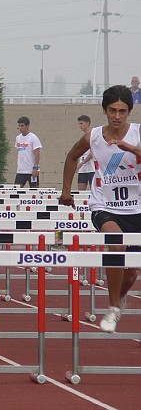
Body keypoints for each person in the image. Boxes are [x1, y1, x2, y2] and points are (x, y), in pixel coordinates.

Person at [59, 85, 140, 333]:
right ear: (105, 110)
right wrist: (66, 191)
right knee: (116, 243)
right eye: (112, 110)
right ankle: (114, 307)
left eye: (122, 111)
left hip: (136, 208)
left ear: (129, 112)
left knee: (130, 273)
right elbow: (72, 157)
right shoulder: (93, 136)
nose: (117, 116)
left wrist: (133, 150)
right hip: (104, 205)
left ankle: (118, 296)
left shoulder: (138, 134)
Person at [14, 116, 42, 188]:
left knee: (34, 191)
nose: (20, 128)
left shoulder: (33, 138)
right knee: (16, 191)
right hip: (21, 171)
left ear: (27, 126)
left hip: (31, 171)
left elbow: (37, 154)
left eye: (22, 126)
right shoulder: (18, 138)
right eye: (19, 126)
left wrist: (35, 168)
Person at [75, 115, 94, 191]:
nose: (80, 126)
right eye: (79, 124)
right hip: (83, 170)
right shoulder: (83, 137)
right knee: (81, 192)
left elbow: (93, 152)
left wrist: (82, 162)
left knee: (94, 191)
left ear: (88, 123)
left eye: (82, 123)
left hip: (92, 169)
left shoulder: (93, 135)